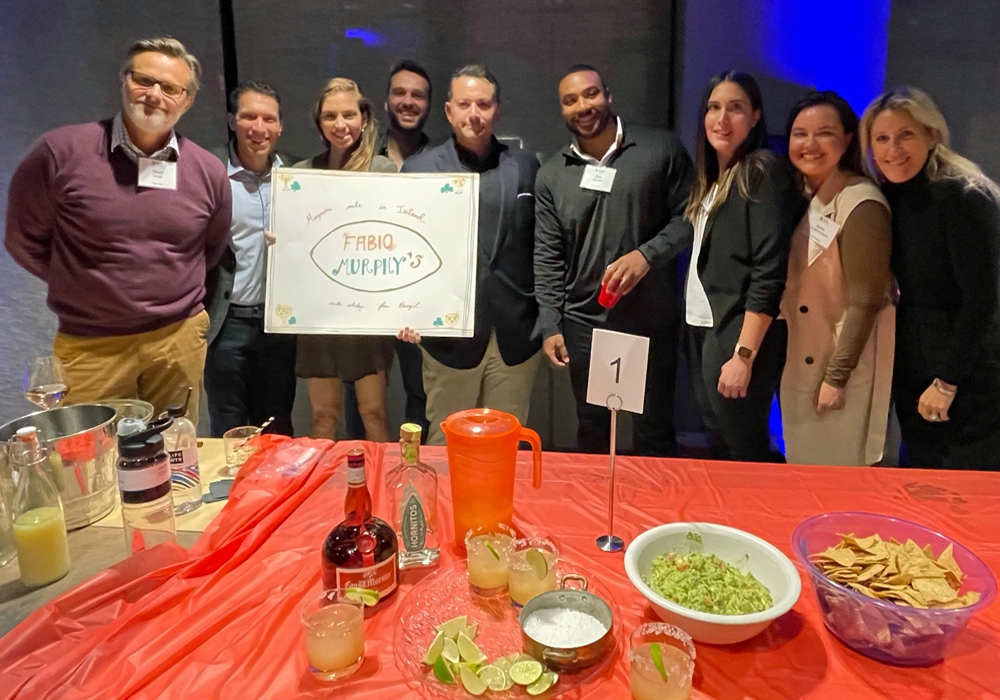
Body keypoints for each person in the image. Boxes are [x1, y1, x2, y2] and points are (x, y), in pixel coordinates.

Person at [4, 36, 231, 428]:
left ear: (188, 100)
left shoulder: (208, 170)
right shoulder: (60, 152)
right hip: (91, 344)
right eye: (144, 80)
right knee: (87, 461)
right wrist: (85, 282)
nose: (155, 94)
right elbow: (23, 239)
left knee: (173, 456)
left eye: (171, 87)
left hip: (177, 341)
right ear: (123, 82)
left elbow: (208, 250)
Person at [534, 64, 694, 456]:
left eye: (590, 94)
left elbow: (691, 217)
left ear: (608, 95)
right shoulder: (552, 174)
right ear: (562, 110)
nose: (582, 106)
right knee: (592, 429)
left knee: (653, 432)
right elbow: (548, 254)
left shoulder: (660, 149)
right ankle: (595, 515)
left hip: (650, 319)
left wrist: (645, 256)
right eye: (570, 100)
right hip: (586, 324)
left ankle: (657, 514)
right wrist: (551, 323)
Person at [398, 64, 542, 445]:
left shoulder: (525, 167)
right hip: (448, 340)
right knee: (446, 447)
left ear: (497, 109)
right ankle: (443, 508)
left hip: (515, 335)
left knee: (505, 446)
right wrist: (402, 309)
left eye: (483, 104)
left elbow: (541, 246)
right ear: (449, 111)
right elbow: (402, 248)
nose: (474, 114)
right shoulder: (418, 171)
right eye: (464, 104)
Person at [860, 87, 1000, 470]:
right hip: (916, 366)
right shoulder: (893, 195)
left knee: (966, 490)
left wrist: (946, 382)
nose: (894, 150)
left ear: (932, 135)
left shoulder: (964, 196)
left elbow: (981, 301)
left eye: (906, 135)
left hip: (966, 375)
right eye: (882, 139)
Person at [682, 70, 805, 462]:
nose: (722, 118)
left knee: (744, 449)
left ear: (754, 117)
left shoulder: (760, 171)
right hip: (705, 327)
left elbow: (769, 270)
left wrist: (744, 355)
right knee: (722, 440)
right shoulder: (715, 178)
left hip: (738, 334)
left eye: (735, 109)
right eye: (713, 108)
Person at [779, 91, 894, 466]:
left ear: (847, 140)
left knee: (836, 483)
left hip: (838, 370)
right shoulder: (801, 196)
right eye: (800, 134)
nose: (810, 145)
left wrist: (837, 377)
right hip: (803, 363)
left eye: (824, 133)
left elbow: (867, 300)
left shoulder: (861, 202)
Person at [294, 78, 397, 441]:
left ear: (365, 118)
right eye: (330, 116)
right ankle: (323, 495)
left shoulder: (384, 172)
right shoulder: (302, 174)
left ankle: (381, 488)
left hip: (367, 316)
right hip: (319, 318)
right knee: (323, 416)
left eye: (349, 114)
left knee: (373, 414)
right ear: (319, 123)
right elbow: (297, 242)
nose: (341, 124)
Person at [344, 60, 435, 440]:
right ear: (385, 101)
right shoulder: (356, 157)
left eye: (418, 95)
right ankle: (361, 475)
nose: (408, 101)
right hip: (364, 299)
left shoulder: (442, 163)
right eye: (400, 93)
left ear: (430, 105)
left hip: (418, 302)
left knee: (422, 391)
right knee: (359, 397)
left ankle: (415, 472)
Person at [204, 82, 298, 437]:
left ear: (280, 126)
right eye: (249, 117)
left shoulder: (296, 176)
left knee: (277, 426)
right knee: (229, 426)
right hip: (227, 324)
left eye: (269, 119)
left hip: (279, 325)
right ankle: (233, 494)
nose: (259, 128)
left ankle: (280, 494)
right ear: (232, 121)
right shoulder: (208, 172)